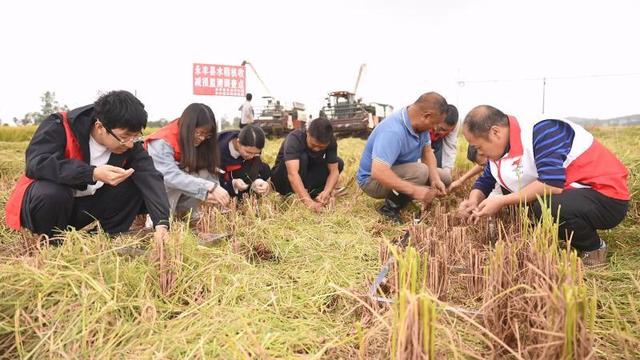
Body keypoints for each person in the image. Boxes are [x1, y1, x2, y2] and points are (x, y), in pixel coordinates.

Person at [457, 105, 629, 267]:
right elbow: (487, 179)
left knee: (545, 207)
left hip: (606, 197)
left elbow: (551, 184)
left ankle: (594, 248)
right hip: (575, 194)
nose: (481, 154)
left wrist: (501, 201)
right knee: (519, 197)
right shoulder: (500, 150)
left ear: (495, 132)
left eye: (478, 147)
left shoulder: (542, 131)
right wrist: (473, 200)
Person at [4, 90, 170, 242]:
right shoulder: (59, 125)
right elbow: (36, 163)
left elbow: (150, 176)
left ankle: (105, 239)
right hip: (49, 206)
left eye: (135, 137)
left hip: (84, 207)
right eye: (125, 136)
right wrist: (92, 173)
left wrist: (161, 223)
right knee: (54, 192)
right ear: (100, 127)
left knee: (136, 184)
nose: (129, 144)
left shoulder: (129, 144)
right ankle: (49, 242)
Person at [356, 92, 449, 223]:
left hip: (396, 170)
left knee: (445, 177)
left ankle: (404, 195)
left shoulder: (420, 127)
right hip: (371, 181)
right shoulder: (393, 130)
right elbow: (378, 172)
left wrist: (435, 179)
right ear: (427, 116)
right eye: (434, 124)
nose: (434, 128)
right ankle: (389, 209)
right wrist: (415, 191)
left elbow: (427, 152)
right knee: (421, 171)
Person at [145, 103, 230, 220]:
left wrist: (216, 195)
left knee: (202, 172)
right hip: (157, 186)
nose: (202, 138)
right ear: (187, 127)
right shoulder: (162, 142)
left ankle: (189, 217)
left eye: (207, 135)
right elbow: (169, 176)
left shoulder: (201, 141)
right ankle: (159, 222)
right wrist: (210, 187)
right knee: (171, 184)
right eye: (199, 133)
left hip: (177, 185)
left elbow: (208, 171)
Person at [271, 117, 344, 212]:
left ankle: (312, 194)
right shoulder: (294, 138)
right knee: (303, 157)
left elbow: (334, 171)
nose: (317, 149)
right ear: (307, 133)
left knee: (339, 163)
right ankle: (295, 195)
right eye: (314, 145)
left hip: (306, 174)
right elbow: (293, 174)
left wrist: (327, 191)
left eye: (321, 147)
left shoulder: (331, 141)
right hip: (283, 179)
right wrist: (309, 203)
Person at [217, 124, 271, 198]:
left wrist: (258, 181)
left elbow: (256, 166)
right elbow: (213, 180)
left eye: (256, 153)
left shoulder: (251, 148)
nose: (252, 156)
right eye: (248, 152)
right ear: (238, 143)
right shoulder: (218, 150)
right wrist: (233, 184)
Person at [429, 104, 459, 186]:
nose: (442, 132)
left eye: (447, 131)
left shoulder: (455, 125)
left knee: (444, 175)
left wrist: (447, 172)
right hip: (421, 145)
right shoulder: (427, 120)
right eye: (441, 128)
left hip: (437, 143)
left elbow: (450, 147)